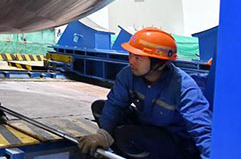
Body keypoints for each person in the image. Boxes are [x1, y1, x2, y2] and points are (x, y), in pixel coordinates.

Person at [78, 27, 212, 159]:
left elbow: (201, 128)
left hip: (175, 140)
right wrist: (103, 134)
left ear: (158, 63)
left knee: (125, 136)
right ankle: (122, 153)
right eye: (130, 55)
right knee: (100, 108)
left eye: (138, 58)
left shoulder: (184, 88)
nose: (131, 61)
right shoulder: (128, 75)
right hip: (148, 125)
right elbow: (115, 104)